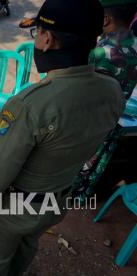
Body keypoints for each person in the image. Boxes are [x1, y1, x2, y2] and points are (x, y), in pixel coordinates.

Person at [0, 0, 125, 275]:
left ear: (47, 40)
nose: (36, 39)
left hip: (14, 211)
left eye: (36, 33)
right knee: (26, 248)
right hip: (56, 203)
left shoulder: (29, 106)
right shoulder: (112, 90)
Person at [73, 0, 137, 201]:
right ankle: (83, 194)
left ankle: (69, 194)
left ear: (106, 18)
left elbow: (80, 86)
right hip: (116, 115)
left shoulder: (101, 51)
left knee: (79, 158)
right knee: (100, 157)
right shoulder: (135, 44)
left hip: (89, 119)